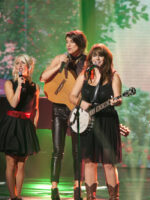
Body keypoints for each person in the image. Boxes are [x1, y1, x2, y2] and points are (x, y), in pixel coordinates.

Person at [70, 43, 122, 200]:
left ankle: (113, 197)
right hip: (87, 122)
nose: (97, 58)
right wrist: (81, 103)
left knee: (108, 163)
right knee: (89, 161)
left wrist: (116, 102)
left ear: (106, 59)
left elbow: (119, 99)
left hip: (107, 121)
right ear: (90, 58)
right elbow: (72, 96)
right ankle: (90, 197)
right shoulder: (84, 75)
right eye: (94, 55)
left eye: (101, 55)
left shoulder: (113, 76)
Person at [40, 30, 87, 200]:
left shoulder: (86, 61)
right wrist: (57, 64)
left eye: (72, 42)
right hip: (58, 108)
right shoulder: (60, 58)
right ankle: (54, 188)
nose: (68, 45)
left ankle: (77, 187)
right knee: (57, 149)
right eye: (66, 41)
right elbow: (43, 77)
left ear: (80, 44)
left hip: (77, 109)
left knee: (77, 150)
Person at [0, 54, 40, 200]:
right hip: (12, 125)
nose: (19, 66)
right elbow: (14, 103)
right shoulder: (9, 84)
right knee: (11, 163)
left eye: (22, 63)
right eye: (17, 63)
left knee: (21, 164)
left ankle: (18, 195)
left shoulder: (35, 87)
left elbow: (35, 109)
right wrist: (20, 85)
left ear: (29, 67)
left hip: (25, 126)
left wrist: (33, 128)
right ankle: (13, 196)